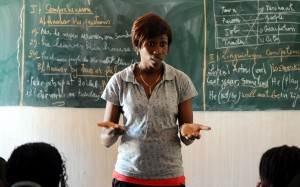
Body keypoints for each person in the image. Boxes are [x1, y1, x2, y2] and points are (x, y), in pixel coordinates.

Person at [97, 13, 211, 187]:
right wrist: (110, 133)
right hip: (128, 176)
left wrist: (188, 132)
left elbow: (186, 137)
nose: (158, 50)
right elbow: (105, 141)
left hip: (169, 177)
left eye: (163, 44)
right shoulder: (120, 81)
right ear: (137, 45)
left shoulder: (180, 81)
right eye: (151, 44)